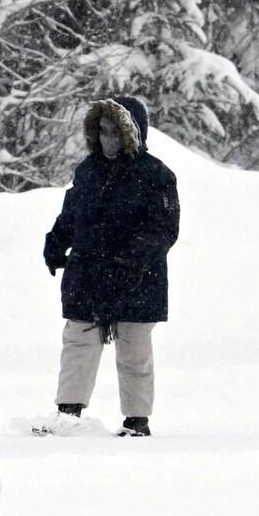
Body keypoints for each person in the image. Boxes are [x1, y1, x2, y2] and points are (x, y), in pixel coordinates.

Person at [38, 95, 180, 436]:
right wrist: (56, 242)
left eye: (116, 132)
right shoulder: (88, 171)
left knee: (134, 350)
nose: (108, 139)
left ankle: (136, 422)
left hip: (137, 279)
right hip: (87, 274)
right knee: (78, 342)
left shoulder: (157, 176)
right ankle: (68, 414)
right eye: (102, 131)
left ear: (132, 133)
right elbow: (71, 214)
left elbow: (164, 229)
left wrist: (134, 258)